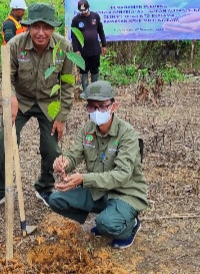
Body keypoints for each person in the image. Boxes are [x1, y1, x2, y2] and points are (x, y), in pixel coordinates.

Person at [0, 3, 75, 215]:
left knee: (52, 149)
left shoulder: (64, 47)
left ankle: (44, 186)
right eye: (35, 27)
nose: (40, 33)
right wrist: (11, 97)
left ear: (53, 28)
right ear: (28, 26)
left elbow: (67, 84)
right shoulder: (15, 44)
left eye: (46, 27)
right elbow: (7, 76)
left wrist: (61, 116)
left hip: (48, 102)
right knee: (4, 142)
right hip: (20, 101)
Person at [49, 81, 148, 249]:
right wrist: (64, 162)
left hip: (124, 194)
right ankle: (108, 215)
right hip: (99, 191)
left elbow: (122, 175)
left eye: (102, 106)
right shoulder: (87, 129)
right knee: (55, 199)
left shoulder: (127, 134)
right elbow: (74, 155)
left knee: (106, 224)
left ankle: (130, 225)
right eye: (92, 107)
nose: (97, 112)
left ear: (114, 106)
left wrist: (83, 179)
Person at [70, 0, 107, 99]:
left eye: (85, 11)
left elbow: (101, 31)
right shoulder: (76, 20)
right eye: (81, 11)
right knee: (84, 71)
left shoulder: (95, 16)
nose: (83, 13)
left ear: (88, 8)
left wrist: (104, 45)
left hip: (95, 50)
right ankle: (86, 92)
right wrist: (76, 50)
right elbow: (74, 37)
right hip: (83, 52)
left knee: (95, 70)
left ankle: (94, 91)